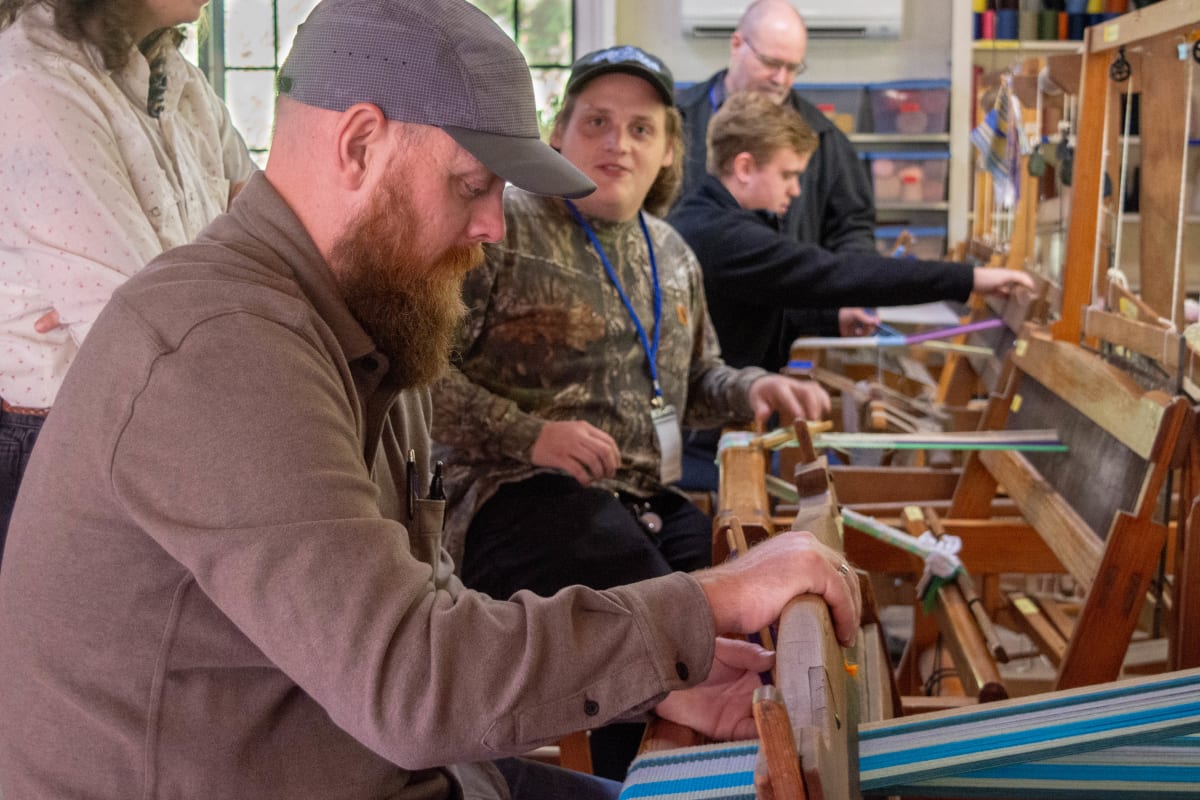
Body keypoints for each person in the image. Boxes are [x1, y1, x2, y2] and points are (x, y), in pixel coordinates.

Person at [0, 2, 861, 799]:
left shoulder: (373, 322)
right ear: (361, 145)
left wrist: (654, 677)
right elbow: (411, 679)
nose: (494, 225)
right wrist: (706, 603)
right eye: (472, 183)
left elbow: (433, 616)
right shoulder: (220, 347)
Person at [429, 45, 830, 779]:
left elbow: (693, 376)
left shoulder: (672, 252)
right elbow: (421, 378)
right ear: (558, 133)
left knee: (742, 612)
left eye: (641, 129)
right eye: (597, 123)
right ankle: (632, 783)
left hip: (641, 499)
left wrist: (753, 389)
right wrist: (531, 435)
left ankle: (737, 770)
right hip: (507, 500)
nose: (618, 143)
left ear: (669, 147)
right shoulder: (501, 230)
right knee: (649, 610)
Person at [667, 91, 1035, 488]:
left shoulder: (714, 219)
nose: (794, 190)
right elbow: (834, 273)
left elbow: (756, 305)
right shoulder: (722, 235)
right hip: (699, 440)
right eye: (788, 175)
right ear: (744, 167)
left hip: (715, 421)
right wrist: (969, 279)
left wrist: (832, 318)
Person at [0, 0, 255, 564]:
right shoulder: (35, 83)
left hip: (163, 418)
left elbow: (276, 243)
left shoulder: (173, 74)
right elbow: (146, 337)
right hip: (62, 441)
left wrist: (189, 291)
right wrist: (224, 285)